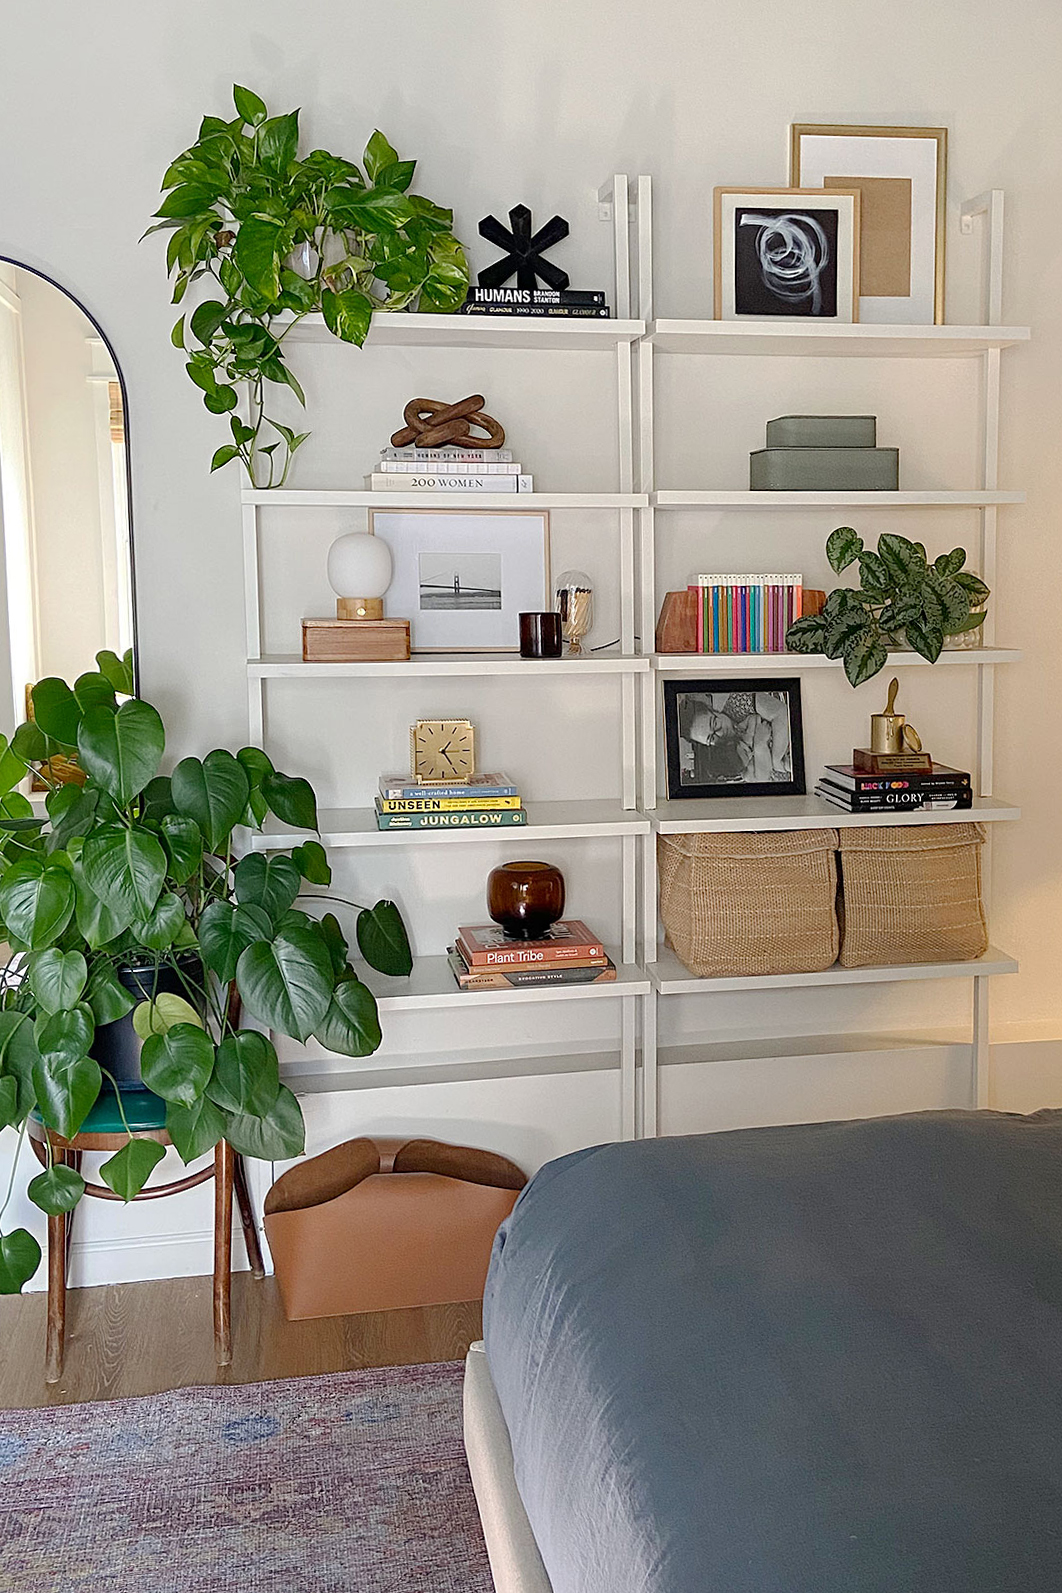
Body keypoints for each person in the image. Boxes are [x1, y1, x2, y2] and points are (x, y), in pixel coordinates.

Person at [680, 691, 791, 784]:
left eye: (715, 724)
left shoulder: (737, 702)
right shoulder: (728, 758)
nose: (720, 734)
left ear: (713, 710)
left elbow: (780, 713)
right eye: (711, 738)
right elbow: (761, 778)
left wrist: (776, 759)